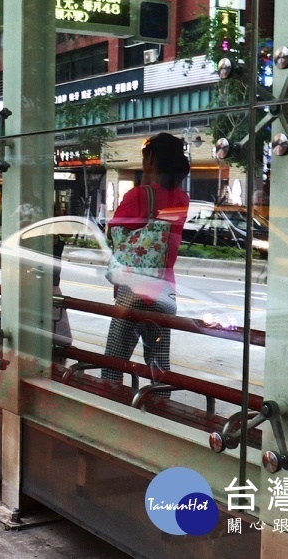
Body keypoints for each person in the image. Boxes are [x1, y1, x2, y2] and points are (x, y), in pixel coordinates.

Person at [101, 132, 190, 386]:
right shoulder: (182, 198)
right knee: (159, 360)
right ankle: (160, 406)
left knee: (114, 359)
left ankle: (113, 405)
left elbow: (115, 233)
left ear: (151, 158)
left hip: (134, 289)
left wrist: (147, 181)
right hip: (164, 287)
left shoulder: (138, 195)